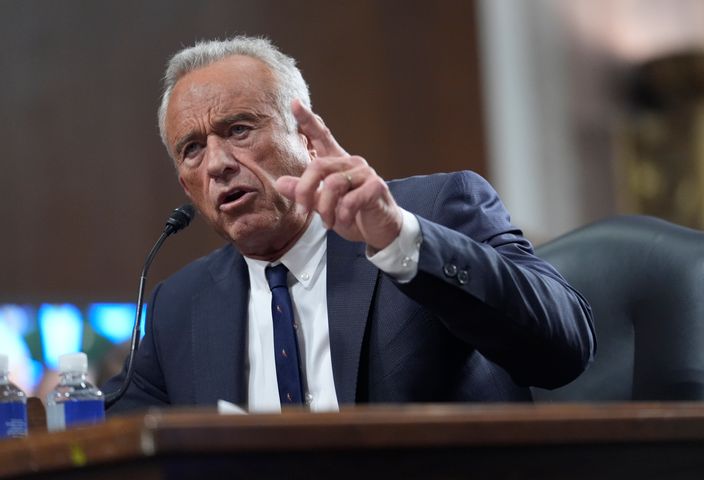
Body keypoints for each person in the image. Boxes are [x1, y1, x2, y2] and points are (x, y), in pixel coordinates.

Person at [104, 36, 595, 413]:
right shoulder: (181, 306)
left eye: (238, 130)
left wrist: (401, 238)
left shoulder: (438, 207)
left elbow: (564, 348)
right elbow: (108, 430)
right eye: (192, 149)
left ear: (308, 139)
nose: (217, 164)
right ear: (186, 186)